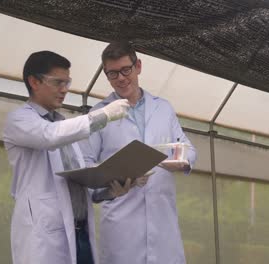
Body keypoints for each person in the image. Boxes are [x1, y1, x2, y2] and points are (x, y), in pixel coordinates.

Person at [3, 50, 135, 264]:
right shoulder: (19, 120)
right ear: (34, 82)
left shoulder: (64, 124)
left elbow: (79, 184)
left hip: (80, 233)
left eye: (67, 82)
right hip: (46, 236)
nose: (65, 90)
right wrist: (103, 115)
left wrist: (109, 190)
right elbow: (48, 136)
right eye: (58, 83)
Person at [79, 41, 197, 264]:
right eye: (113, 74)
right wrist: (110, 186)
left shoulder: (163, 108)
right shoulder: (99, 113)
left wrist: (182, 161)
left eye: (126, 70)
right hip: (121, 227)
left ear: (138, 66)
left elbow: (188, 149)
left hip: (163, 226)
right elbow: (87, 166)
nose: (121, 78)